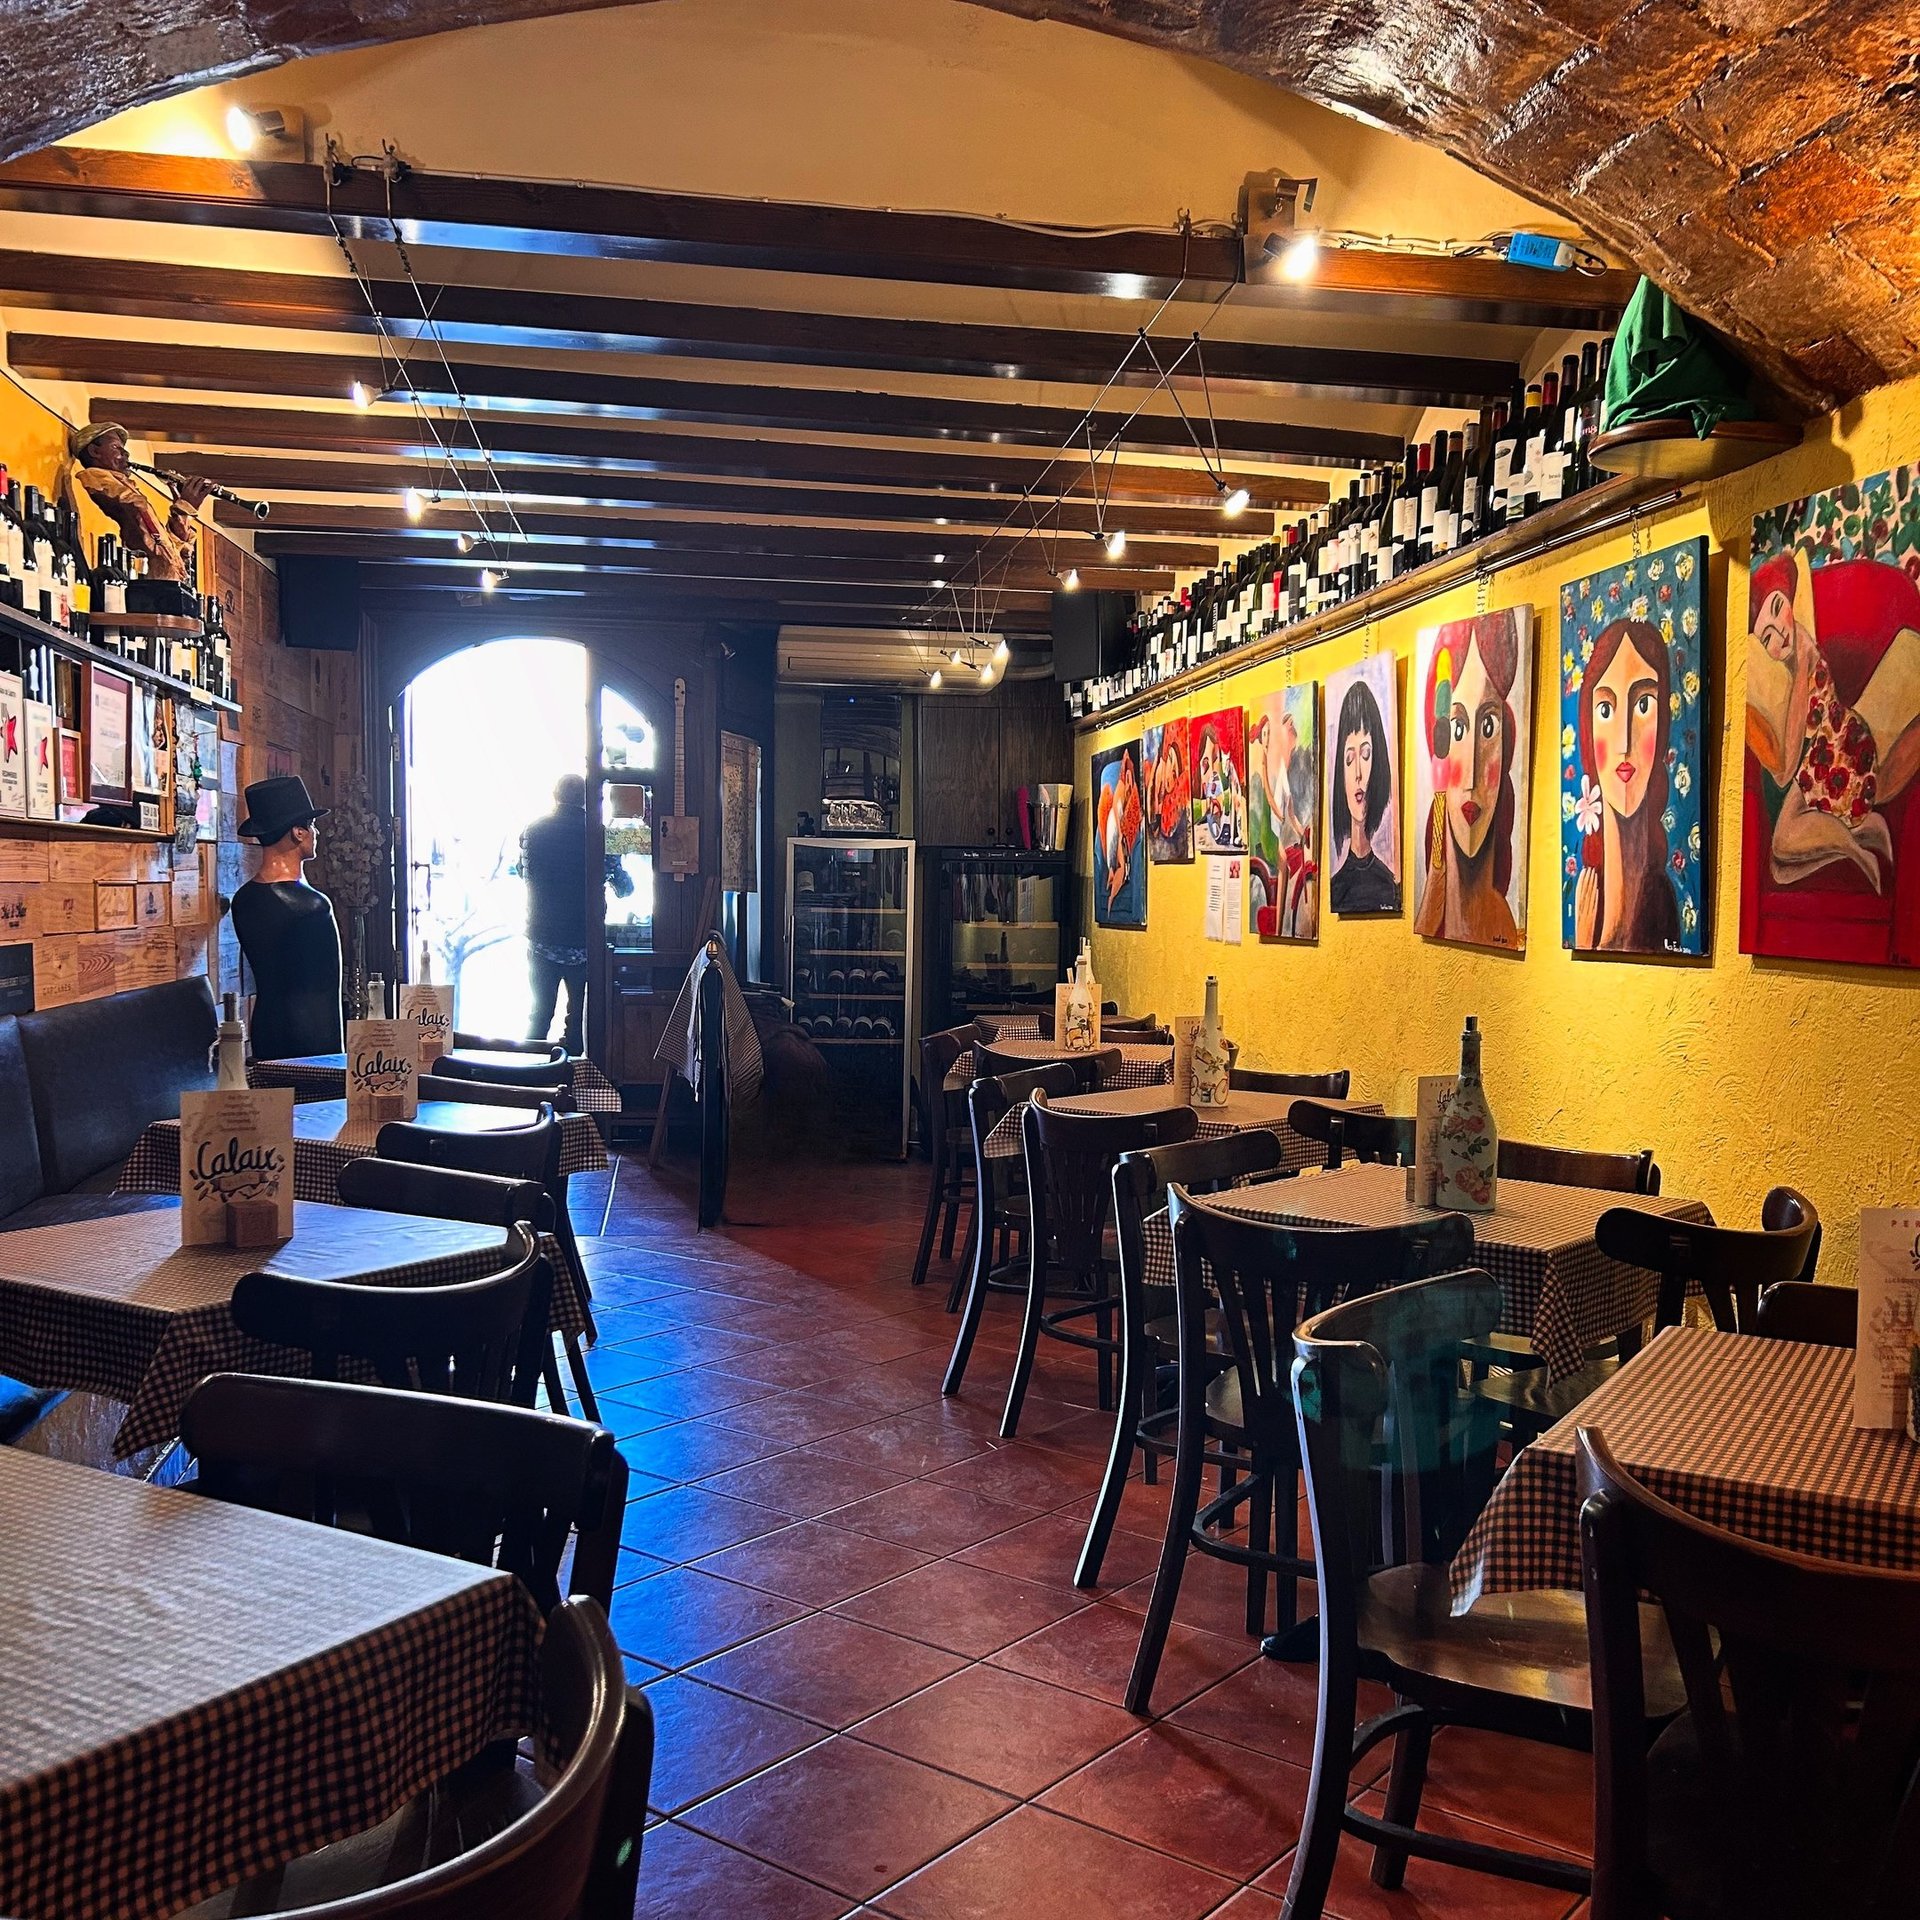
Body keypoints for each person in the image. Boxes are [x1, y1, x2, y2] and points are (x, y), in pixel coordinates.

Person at [1748, 550, 1920, 892]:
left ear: (1793, 602)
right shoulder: (1796, 654)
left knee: (1782, 845)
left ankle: (1855, 851)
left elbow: (1784, 772)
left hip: (1840, 759)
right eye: (1765, 638)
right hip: (1825, 757)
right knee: (1778, 868)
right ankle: (1865, 831)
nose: (1777, 637)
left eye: (1778, 609)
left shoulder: (1803, 655)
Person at [1414, 611, 1524, 950]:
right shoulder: (1431, 911)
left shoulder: (1505, 923)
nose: (1474, 775)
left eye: (1488, 727)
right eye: (1457, 728)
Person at [1572, 618, 1681, 951]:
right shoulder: (1586, 894)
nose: (1623, 741)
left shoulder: (1660, 900)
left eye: (1643, 705)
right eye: (1606, 709)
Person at [229, 775, 345, 1059]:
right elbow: (324, 995)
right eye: (312, 826)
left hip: (266, 1035)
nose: (316, 833)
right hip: (312, 1044)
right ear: (298, 832)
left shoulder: (244, 899)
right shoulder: (312, 906)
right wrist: (335, 1062)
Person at [67, 421, 210, 583]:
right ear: (94, 451)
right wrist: (184, 506)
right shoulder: (96, 478)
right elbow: (135, 517)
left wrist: (182, 516)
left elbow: (164, 548)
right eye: (115, 447)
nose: (125, 453)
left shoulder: (126, 486)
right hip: (151, 588)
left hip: (166, 585)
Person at [520, 774, 591, 1053]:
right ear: (586, 798)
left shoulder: (533, 830)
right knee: (577, 1020)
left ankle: (527, 1079)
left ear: (555, 794)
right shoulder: (594, 832)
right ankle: (570, 1082)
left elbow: (523, 872)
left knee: (539, 1014)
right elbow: (620, 883)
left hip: (542, 936)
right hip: (582, 939)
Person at [1328, 671, 1401, 914]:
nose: (1358, 772)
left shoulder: (1389, 886)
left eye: (1366, 754)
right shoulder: (1335, 889)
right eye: (1349, 759)